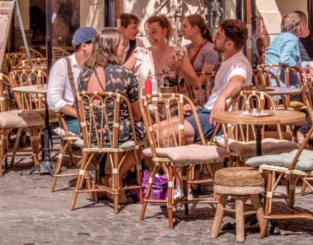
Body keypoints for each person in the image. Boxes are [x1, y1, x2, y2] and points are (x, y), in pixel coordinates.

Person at [78, 28, 144, 181]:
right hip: (117, 134)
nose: (124, 49)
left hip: (91, 134)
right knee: (151, 138)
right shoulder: (125, 74)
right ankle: (116, 177)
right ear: (112, 47)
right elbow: (138, 114)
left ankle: (111, 177)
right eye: (122, 45)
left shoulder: (84, 74)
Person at [183, 19, 252, 143]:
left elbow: (237, 82)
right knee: (155, 129)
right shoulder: (229, 60)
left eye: (219, 36)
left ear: (229, 44)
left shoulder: (238, 63)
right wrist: (198, 107)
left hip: (216, 119)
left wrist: (222, 98)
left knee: (163, 135)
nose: (214, 38)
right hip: (207, 112)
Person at [46, 26, 97, 134]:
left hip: (95, 117)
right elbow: (53, 99)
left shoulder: (97, 66)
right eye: (97, 45)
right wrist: (78, 113)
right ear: (84, 46)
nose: (100, 49)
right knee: (97, 133)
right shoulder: (62, 65)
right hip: (71, 118)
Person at [141, 14, 201, 93]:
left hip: (172, 103)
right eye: (147, 33)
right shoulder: (141, 54)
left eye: (154, 32)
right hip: (148, 103)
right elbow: (123, 72)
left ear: (164, 32)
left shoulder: (178, 53)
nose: (150, 36)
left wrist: (180, 68)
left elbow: (197, 84)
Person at [181, 14, 219, 78]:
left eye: (185, 26)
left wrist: (181, 68)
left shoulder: (210, 50)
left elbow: (202, 81)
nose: (182, 29)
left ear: (195, 28)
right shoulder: (185, 48)